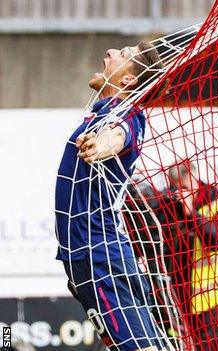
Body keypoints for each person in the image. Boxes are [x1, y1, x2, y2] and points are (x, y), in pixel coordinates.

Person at [54, 42, 167, 351]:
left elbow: (118, 136)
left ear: (128, 80)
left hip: (100, 257)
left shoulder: (127, 116)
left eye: (123, 54)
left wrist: (99, 146)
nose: (111, 52)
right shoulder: (100, 113)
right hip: (88, 257)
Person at [158, 160, 218, 350]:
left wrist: (190, 213)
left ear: (193, 178)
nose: (179, 194)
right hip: (175, 305)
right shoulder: (168, 205)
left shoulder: (214, 199)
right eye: (175, 189)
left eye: (184, 187)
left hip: (210, 306)